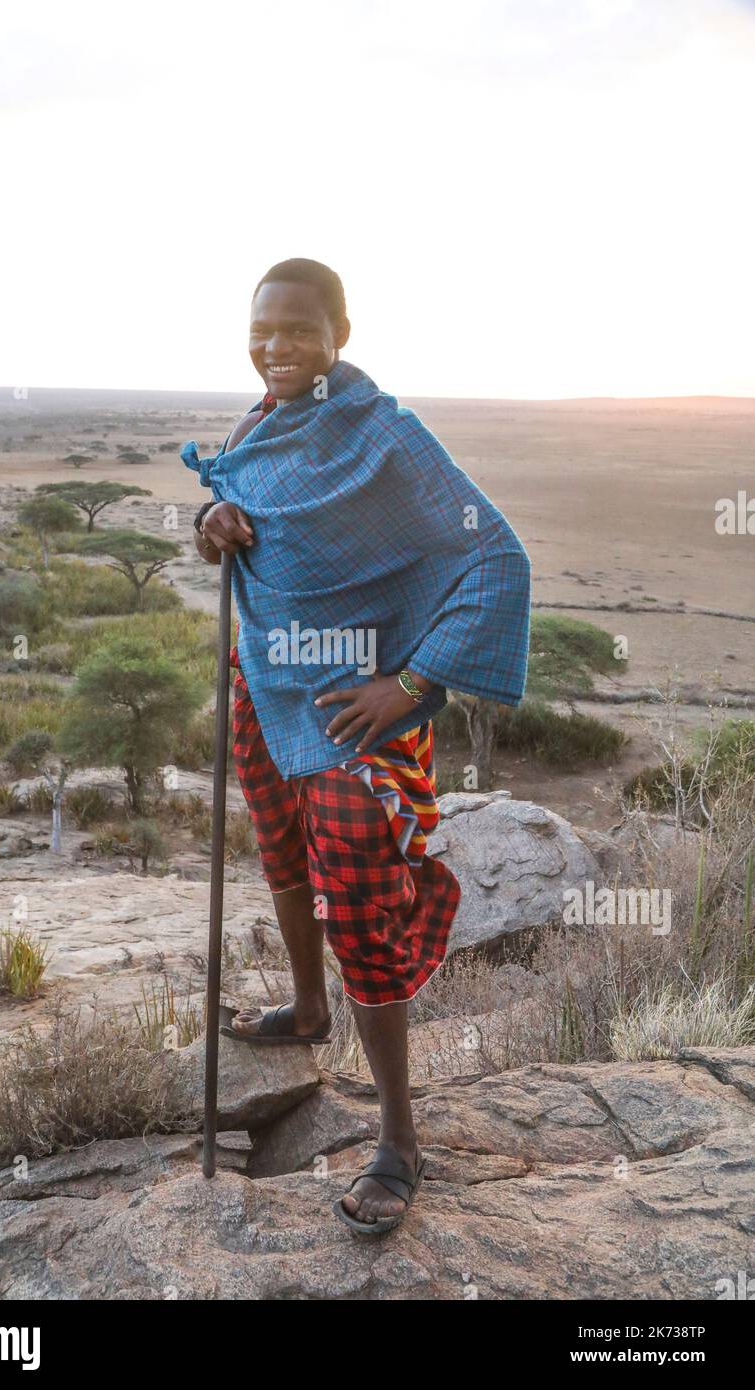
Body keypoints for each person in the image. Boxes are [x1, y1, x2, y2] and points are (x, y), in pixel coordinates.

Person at [182, 258, 531, 1233]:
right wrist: (209, 524)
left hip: (353, 709)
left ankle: (396, 1140)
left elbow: (494, 553)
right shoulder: (258, 424)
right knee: (280, 849)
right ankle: (302, 1011)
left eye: (297, 331)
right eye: (261, 331)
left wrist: (410, 685)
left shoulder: (385, 435)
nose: (276, 347)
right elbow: (231, 523)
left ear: (339, 332)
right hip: (264, 679)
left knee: (358, 897)